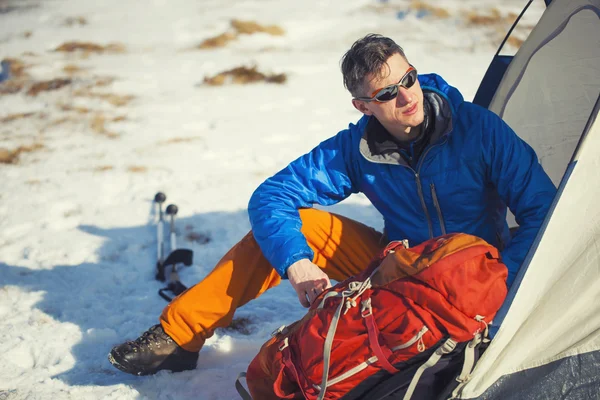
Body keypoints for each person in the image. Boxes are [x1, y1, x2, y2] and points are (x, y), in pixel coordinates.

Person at [108, 34, 557, 376]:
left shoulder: (479, 130)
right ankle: (179, 337)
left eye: (409, 79)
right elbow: (272, 196)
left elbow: (542, 210)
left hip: (476, 274)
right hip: (400, 267)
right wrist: (297, 263)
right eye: (387, 94)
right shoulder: (355, 149)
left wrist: (504, 286)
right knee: (293, 227)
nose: (407, 96)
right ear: (363, 105)